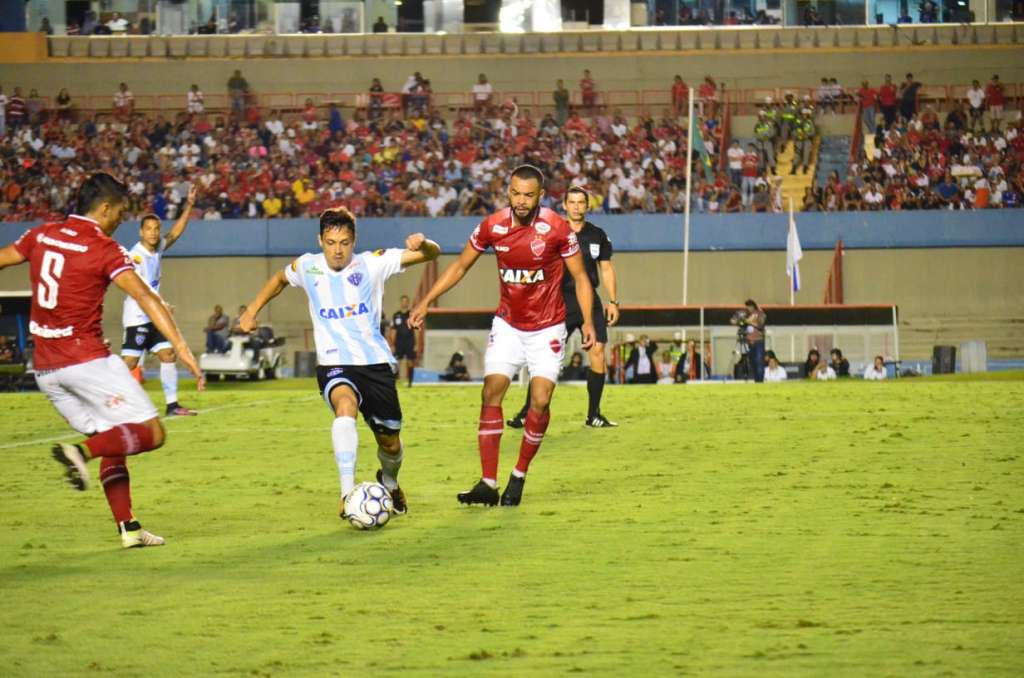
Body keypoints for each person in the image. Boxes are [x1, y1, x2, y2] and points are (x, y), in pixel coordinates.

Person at [0, 173, 204, 549]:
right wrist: (182, 345)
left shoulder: (40, 234)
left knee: (115, 439)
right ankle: (78, 453)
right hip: (86, 361)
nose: (119, 222)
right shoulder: (105, 248)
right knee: (152, 433)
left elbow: (2, 259)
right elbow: (146, 297)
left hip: (45, 369)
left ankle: (128, 527)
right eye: (119, 214)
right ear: (105, 208)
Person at [409, 165, 595, 507]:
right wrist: (425, 301)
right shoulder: (492, 226)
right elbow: (460, 265)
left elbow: (581, 278)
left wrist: (588, 324)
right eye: (515, 193)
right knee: (491, 391)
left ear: (540, 195)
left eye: (528, 194)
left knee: (540, 401)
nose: (521, 201)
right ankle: (488, 482)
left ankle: (518, 476)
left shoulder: (557, 228)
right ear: (507, 191)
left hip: (548, 327)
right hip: (508, 324)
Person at [239, 207, 439, 520]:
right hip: (334, 364)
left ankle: (389, 481)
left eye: (344, 242)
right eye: (331, 242)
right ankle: (347, 496)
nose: (337, 250)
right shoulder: (308, 266)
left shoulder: (372, 263)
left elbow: (430, 255)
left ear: (353, 240)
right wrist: (252, 310)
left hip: (375, 364)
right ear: (320, 240)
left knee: (390, 443)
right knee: (345, 407)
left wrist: (423, 243)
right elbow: (279, 278)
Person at [507, 186, 619, 429]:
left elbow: (607, 269)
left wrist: (613, 301)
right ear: (565, 206)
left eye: (581, 202)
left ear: (587, 206)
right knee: (546, 359)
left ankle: (594, 415)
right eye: (573, 202)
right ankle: (528, 412)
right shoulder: (552, 232)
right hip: (559, 301)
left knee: (598, 353)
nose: (577, 206)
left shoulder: (598, 235)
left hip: (590, 301)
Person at [121, 185, 199, 417]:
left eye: (156, 229)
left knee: (168, 355)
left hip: (153, 314)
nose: (154, 233)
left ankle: (172, 405)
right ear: (141, 232)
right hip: (137, 315)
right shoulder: (136, 255)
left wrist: (190, 206)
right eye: (149, 229)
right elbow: (141, 287)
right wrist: (162, 304)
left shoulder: (157, 249)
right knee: (129, 364)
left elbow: (175, 233)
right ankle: (106, 400)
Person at [733, 299, 766, 382]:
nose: (749, 308)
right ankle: (756, 380)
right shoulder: (746, 315)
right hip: (749, 342)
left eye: (750, 306)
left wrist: (749, 322)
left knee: (759, 362)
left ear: (753, 306)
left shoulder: (760, 314)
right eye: (747, 307)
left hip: (758, 341)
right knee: (753, 363)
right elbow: (736, 321)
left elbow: (760, 326)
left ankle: (760, 382)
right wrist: (739, 321)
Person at [388, 295, 417, 387]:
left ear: (408, 303)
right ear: (400, 303)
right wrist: (392, 344)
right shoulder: (396, 315)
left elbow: (416, 330)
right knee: (397, 361)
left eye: (406, 301)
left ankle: (410, 382)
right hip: (399, 342)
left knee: (410, 361)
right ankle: (396, 381)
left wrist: (416, 344)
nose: (404, 303)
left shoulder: (411, 315)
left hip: (410, 341)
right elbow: (392, 331)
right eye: (403, 301)